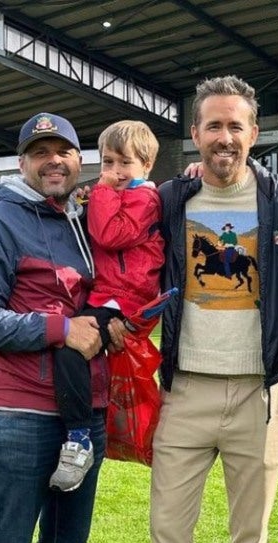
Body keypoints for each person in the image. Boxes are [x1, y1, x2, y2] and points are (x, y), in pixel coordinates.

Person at [0, 112, 120, 543]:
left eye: (63, 151)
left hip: (85, 410)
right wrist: (61, 329)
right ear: (22, 162)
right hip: (22, 412)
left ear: (77, 159)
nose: (53, 161)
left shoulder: (83, 221)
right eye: (40, 153)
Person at [152, 75, 278, 543]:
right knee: (168, 539)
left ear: (253, 134)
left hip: (261, 394)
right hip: (185, 390)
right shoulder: (170, 199)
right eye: (213, 126)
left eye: (235, 126)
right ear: (195, 134)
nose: (225, 138)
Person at [49, 119, 164, 492]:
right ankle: (85, 431)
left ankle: (79, 438)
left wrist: (98, 192)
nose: (114, 173)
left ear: (146, 166)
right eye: (108, 163)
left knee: (70, 348)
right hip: (111, 295)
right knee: (77, 353)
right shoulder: (121, 194)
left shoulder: (145, 198)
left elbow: (110, 235)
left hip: (126, 299)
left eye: (124, 164)